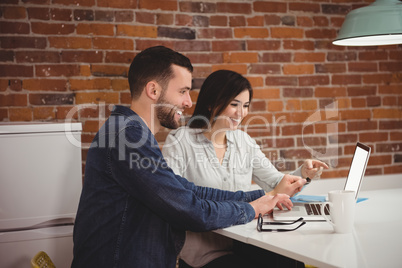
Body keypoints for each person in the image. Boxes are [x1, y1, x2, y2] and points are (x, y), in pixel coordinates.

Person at [71, 46, 300, 268]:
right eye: (182, 91)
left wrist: (261, 197)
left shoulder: (132, 133)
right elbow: (188, 209)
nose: (189, 102)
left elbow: (186, 190)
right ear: (153, 91)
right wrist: (252, 209)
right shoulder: (128, 136)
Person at [162, 70, 329, 268]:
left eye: (246, 105)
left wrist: (303, 174)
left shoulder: (244, 142)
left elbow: (276, 184)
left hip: (245, 239)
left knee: (289, 261)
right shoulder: (181, 141)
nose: (241, 113)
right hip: (205, 251)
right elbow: (175, 200)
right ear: (212, 102)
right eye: (234, 104)